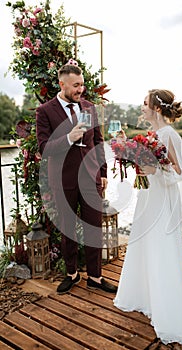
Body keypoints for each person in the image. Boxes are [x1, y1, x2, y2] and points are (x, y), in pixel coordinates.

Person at [113, 89, 182, 349]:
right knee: (147, 245)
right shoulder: (153, 136)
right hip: (149, 200)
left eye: (145, 104)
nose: (142, 107)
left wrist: (154, 170)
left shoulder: (169, 135)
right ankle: (148, 296)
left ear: (156, 109)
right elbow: (149, 167)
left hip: (162, 202)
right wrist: (128, 150)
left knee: (161, 248)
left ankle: (168, 308)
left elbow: (178, 173)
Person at [36, 61, 117, 294]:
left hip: (91, 178)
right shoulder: (45, 111)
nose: (80, 90)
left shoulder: (90, 108)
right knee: (68, 229)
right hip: (63, 180)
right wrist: (70, 137)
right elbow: (44, 148)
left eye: (81, 85)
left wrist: (102, 172)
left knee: (94, 228)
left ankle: (95, 277)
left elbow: (98, 142)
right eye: (75, 86)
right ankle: (71, 274)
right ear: (61, 84)